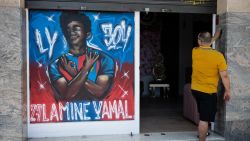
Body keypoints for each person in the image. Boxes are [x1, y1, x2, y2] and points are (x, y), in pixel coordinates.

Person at [49, 11, 114, 101]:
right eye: (68, 29)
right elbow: (67, 95)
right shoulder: (56, 64)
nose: (71, 32)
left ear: (88, 35)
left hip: (99, 114)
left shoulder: (104, 59)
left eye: (76, 28)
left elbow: (99, 92)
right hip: (67, 114)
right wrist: (86, 68)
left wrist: (74, 73)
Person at [191, 30, 231, 141]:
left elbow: (205, 42)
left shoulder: (195, 51)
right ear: (210, 41)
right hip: (208, 92)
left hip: (195, 90)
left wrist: (215, 36)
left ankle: (202, 133)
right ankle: (202, 138)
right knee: (204, 119)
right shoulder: (218, 56)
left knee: (203, 115)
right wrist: (227, 90)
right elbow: (225, 76)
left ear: (199, 41)